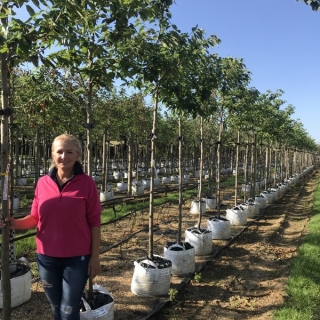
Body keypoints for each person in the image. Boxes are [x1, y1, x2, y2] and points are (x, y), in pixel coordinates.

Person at [0, 133, 102, 320]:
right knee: (56, 308)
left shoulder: (87, 184)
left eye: (69, 152)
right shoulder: (42, 183)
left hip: (77, 259)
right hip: (46, 258)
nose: (64, 156)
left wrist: (94, 257)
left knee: (68, 309)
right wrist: (13, 223)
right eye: (60, 151)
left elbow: (95, 221)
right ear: (52, 154)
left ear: (78, 154)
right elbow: (35, 217)